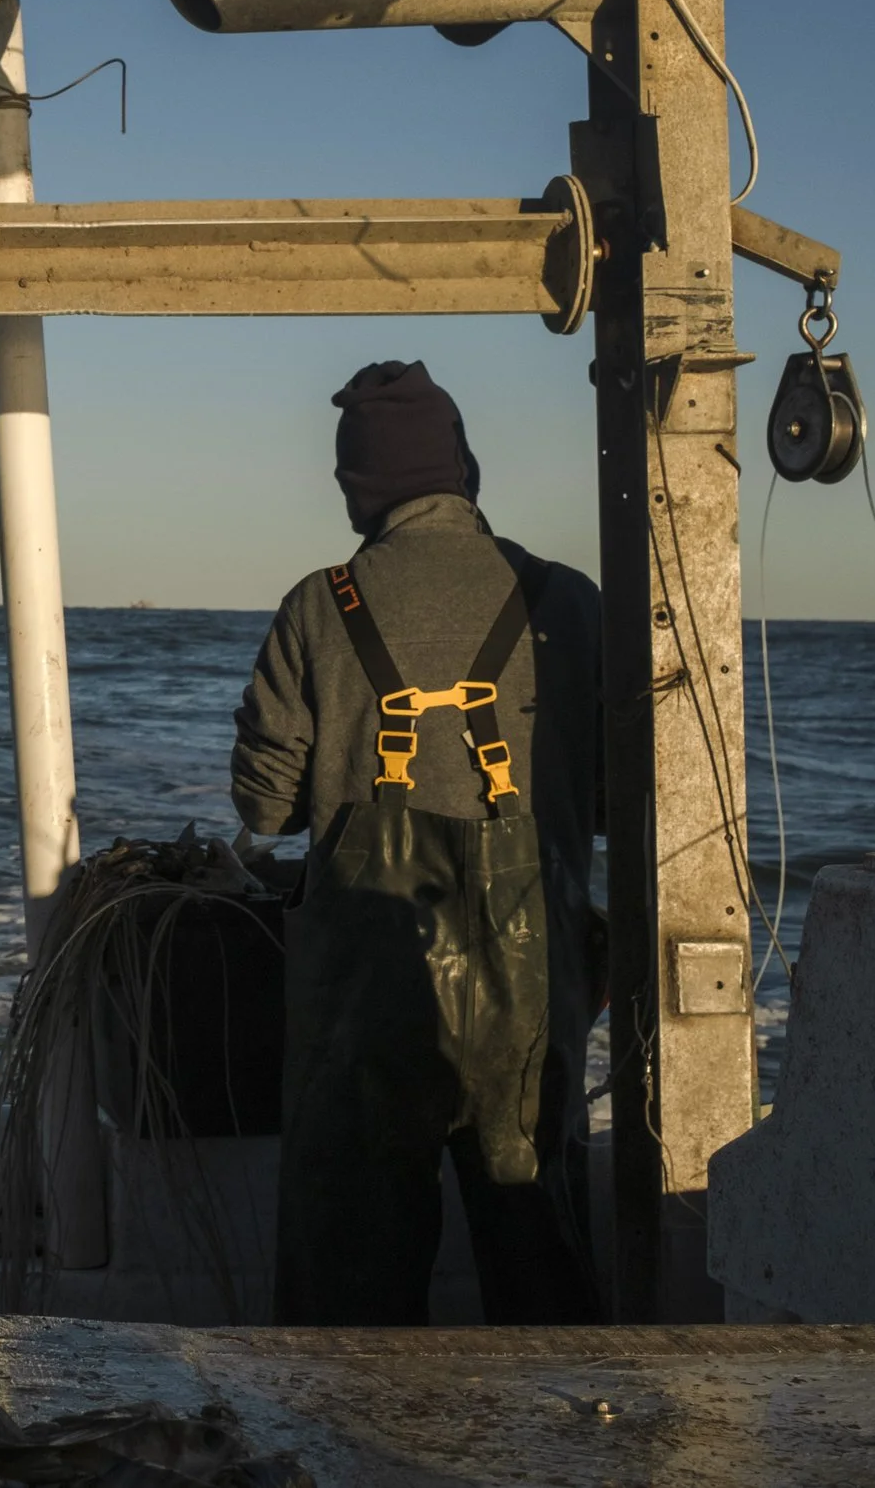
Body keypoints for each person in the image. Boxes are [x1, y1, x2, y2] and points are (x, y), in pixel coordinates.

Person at [232, 359, 602, 1327]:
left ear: (358, 490)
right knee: (545, 1281)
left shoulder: (320, 606)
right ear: (461, 467)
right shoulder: (565, 603)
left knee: (345, 1317)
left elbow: (265, 805)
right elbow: (607, 796)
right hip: (531, 1004)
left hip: (366, 1012)